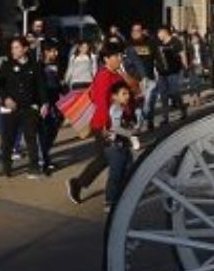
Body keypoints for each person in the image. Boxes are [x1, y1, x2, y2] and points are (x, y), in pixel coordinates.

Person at [67, 41, 131, 208]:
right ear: (106, 58)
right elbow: (101, 102)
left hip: (117, 124)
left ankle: (79, 183)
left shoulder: (117, 74)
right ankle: (110, 198)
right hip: (104, 125)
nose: (120, 58)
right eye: (116, 56)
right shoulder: (104, 75)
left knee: (105, 159)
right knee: (112, 158)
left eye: (120, 55)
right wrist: (104, 125)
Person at [0, 36, 47, 179]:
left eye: (16, 47)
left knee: (31, 138)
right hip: (11, 108)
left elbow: (41, 86)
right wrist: (6, 99)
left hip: (29, 107)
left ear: (25, 49)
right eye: (12, 48)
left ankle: (34, 167)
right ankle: (7, 165)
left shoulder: (34, 65)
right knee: (8, 139)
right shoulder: (6, 65)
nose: (13, 51)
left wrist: (44, 103)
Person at [103, 80, 141, 211]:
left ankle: (121, 198)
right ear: (114, 96)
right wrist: (131, 133)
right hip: (115, 147)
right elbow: (116, 127)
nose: (127, 96)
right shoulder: (116, 108)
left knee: (126, 171)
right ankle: (109, 201)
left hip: (122, 146)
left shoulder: (124, 108)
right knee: (116, 174)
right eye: (123, 94)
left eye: (128, 93)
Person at [125, 23, 160, 130]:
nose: (136, 33)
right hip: (134, 79)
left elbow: (157, 57)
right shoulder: (128, 44)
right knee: (138, 103)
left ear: (142, 31)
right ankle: (139, 123)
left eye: (138, 30)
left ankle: (149, 120)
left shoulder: (150, 43)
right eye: (134, 31)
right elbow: (127, 63)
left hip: (149, 77)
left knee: (149, 102)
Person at [153, 25, 188, 126]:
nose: (158, 35)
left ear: (165, 32)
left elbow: (182, 54)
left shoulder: (176, 41)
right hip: (162, 73)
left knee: (174, 92)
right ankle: (165, 117)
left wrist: (185, 67)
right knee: (163, 95)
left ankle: (182, 108)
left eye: (160, 33)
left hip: (173, 71)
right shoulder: (158, 43)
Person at [37, 40, 64, 174]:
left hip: (56, 101)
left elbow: (59, 83)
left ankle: (45, 155)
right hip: (44, 103)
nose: (56, 53)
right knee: (44, 131)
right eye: (53, 51)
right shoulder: (39, 66)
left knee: (54, 129)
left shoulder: (57, 65)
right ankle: (43, 160)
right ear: (46, 52)